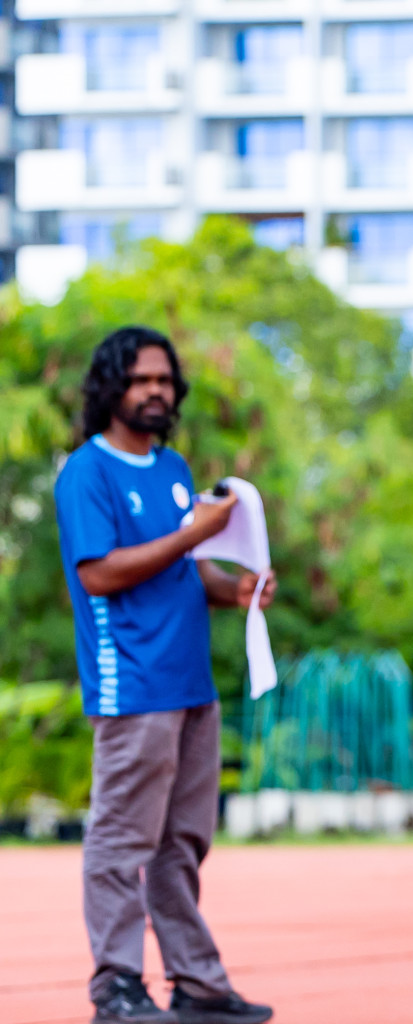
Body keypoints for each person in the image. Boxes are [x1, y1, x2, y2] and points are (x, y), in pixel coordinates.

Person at [55, 327, 276, 1024]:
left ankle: (196, 983)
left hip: (192, 686)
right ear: (111, 387)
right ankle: (116, 986)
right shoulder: (86, 474)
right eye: (141, 378)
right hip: (134, 688)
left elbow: (183, 567)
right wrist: (193, 532)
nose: (157, 390)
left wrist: (235, 591)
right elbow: (100, 571)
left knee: (183, 843)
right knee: (122, 842)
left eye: (165, 380)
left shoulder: (174, 468)